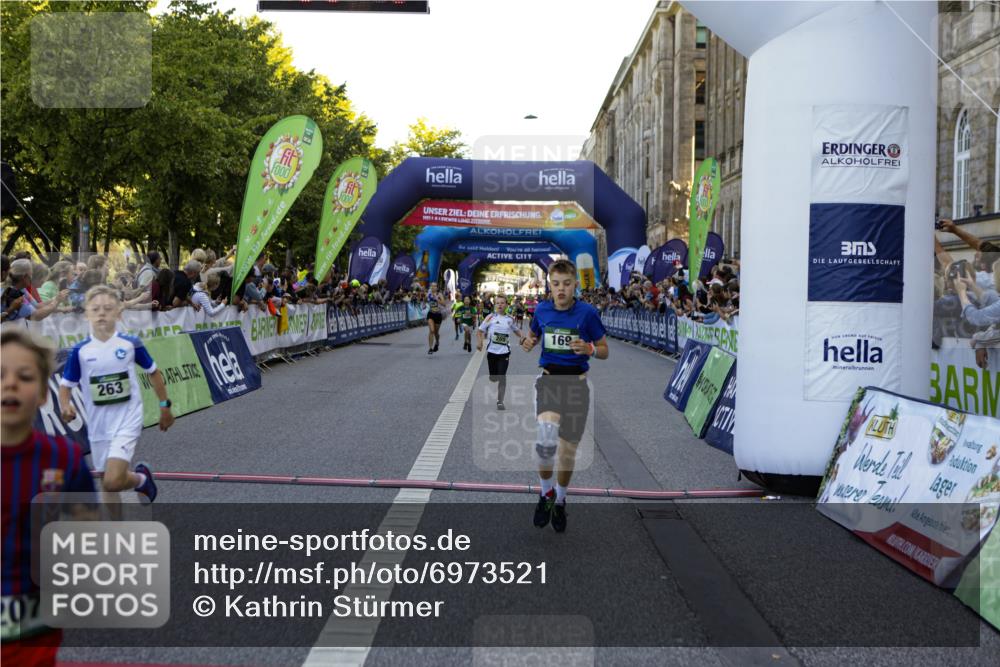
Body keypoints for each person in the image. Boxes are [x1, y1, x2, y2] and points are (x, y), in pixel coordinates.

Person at [2, 329, 96, 667]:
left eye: (24, 376)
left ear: (44, 393)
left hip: (31, 626)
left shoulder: (65, 458)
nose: (9, 384)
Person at [58, 286, 175, 503]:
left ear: (119, 314)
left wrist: (164, 406)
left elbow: (154, 373)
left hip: (127, 419)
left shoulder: (130, 344)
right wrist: (66, 406)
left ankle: (140, 480)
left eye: (108, 308)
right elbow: (66, 386)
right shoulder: (80, 351)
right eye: (95, 309)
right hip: (98, 425)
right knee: (109, 486)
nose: (101, 313)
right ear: (87, 314)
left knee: (112, 480)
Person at [520, 259, 609, 533]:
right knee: (546, 440)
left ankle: (560, 500)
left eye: (566, 284)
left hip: (576, 386)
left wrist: (590, 349)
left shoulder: (587, 313)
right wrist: (528, 342)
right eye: (556, 284)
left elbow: (605, 349)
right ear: (549, 284)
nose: (561, 289)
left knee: (568, 452)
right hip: (548, 381)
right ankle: (545, 493)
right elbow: (533, 336)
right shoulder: (542, 310)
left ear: (575, 285)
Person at [477, 295, 523, 410]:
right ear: (495, 305)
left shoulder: (509, 319)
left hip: (504, 353)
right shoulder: (490, 317)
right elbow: (480, 330)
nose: (500, 305)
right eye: (498, 303)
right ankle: (493, 377)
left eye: (502, 303)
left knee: (502, 376)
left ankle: (500, 401)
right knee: (494, 377)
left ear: (506, 305)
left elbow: (517, 330)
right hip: (492, 352)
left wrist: (522, 337)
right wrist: (480, 342)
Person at [425, 282, 445, 354]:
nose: (433, 287)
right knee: (432, 330)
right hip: (430, 314)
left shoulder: (439, 295)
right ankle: (430, 348)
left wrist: (437, 299)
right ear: (430, 287)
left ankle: (437, 342)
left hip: (438, 315)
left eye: (435, 286)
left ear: (437, 287)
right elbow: (425, 300)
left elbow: (444, 304)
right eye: (432, 286)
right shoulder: (428, 294)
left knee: (436, 333)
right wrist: (424, 303)